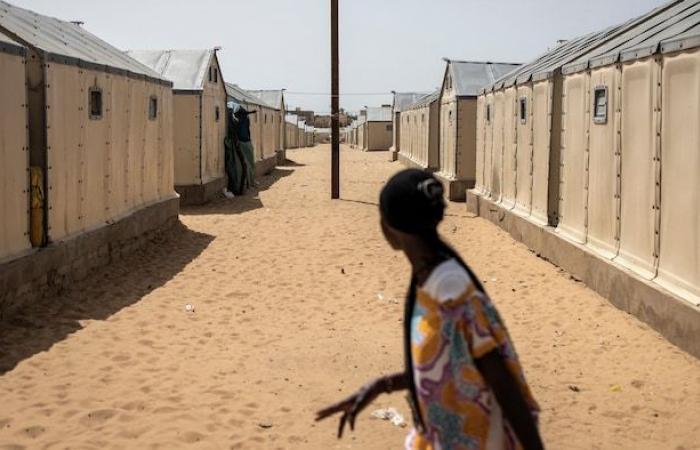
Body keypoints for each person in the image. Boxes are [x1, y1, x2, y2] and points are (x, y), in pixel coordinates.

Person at [316, 169, 543, 450]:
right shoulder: (428, 278)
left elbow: (505, 387)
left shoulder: (451, 293)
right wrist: (380, 386)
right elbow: (445, 369)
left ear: (390, 227)